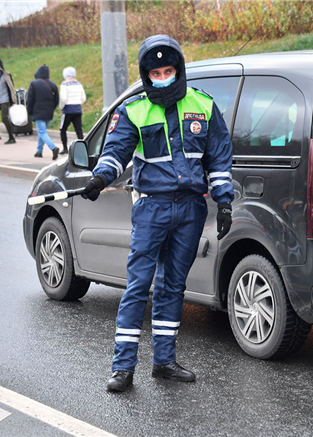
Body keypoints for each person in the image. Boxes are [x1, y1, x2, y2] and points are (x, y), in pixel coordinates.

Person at [81, 35, 234, 392]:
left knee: (172, 287)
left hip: (192, 209)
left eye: (167, 71)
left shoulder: (204, 106)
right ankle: (123, 367)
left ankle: (164, 362)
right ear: (146, 76)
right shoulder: (133, 110)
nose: (161, 77)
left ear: (178, 70)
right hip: (152, 207)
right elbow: (116, 151)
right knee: (137, 286)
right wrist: (101, 177)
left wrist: (224, 201)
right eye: (155, 73)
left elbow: (219, 159)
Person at [26, 65, 59, 160]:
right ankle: (39, 151)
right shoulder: (53, 85)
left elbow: (30, 99)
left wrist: (29, 111)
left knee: (42, 132)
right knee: (42, 133)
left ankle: (53, 148)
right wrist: (51, 108)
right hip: (49, 113)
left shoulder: (34, 84)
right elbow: (56, 100)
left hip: (38, 112)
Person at [58, 66, 86, 155]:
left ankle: (65, 148)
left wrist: (62, 107)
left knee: (63, 129)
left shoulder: (64, 85)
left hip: (68, 110)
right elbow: (83, 98)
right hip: (78, 109)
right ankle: (82, 148)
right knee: (79, 130)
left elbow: (63, 98)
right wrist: (78, 104)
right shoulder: (79, 84)